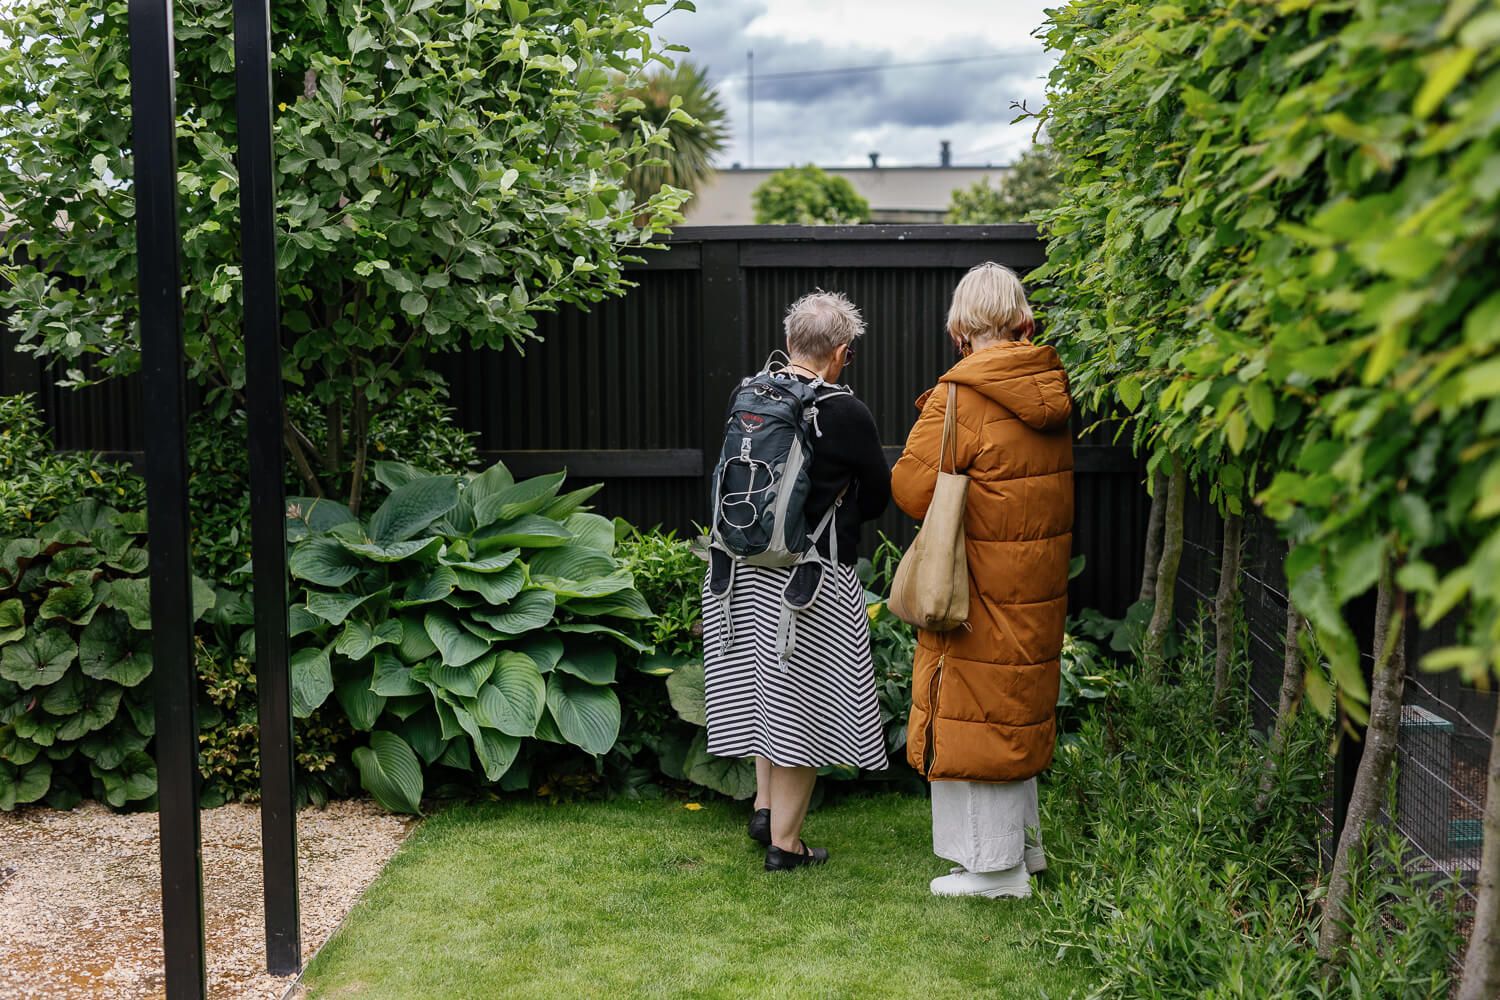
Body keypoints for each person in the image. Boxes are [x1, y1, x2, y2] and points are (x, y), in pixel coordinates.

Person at [890, 262, 1074, 899]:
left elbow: (912, 491)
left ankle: (994, 872)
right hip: (1033, 578)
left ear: (960, 326)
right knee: (1012, 701)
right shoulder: (1049, 388)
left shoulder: (960, 397)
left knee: (972, 708)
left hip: (976, 583)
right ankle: (1025, 848)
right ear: (1023, 318)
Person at [701, 289, 891, 872]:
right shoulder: (845, 412)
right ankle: (786, 845)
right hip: (810, 581)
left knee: (765, 689)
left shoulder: (748, 393)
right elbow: (879, 497)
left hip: (743, 570)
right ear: (840, 352)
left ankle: (764, 807)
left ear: (788, 345)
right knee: (802, 703)